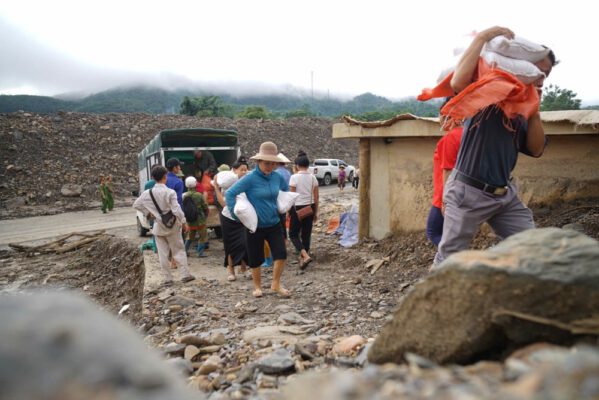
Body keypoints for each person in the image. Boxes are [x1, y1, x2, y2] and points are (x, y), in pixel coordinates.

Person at [432, 26, 557, 267]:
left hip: (504, 195)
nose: (540, 77)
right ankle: (432, 301)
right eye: (538, 69)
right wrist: (482, 38)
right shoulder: (489, 94)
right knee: (450, 258)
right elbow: (458, 82)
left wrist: (534, 111)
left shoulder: (524, 111)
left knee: (531, 245)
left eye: (546, 74)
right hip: (468, 192)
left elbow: (537, 149)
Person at [225, 142, 290, 298]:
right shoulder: (250, 179)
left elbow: (285, 191)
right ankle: (257, 287)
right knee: (255, 258)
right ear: (259, 162)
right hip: (255, 226)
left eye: (273, 163)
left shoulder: (277, 177)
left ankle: (275, 284)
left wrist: (284, 205)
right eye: (267, 163)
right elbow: (229, 194)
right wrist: (237, 217)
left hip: (274, 222)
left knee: (281, 254)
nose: (270, 166)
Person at [133, 165, 195, 284]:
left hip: (158, 226)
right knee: (178, 250)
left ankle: (168, 278)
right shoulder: (170, 192)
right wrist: (184, 222)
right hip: (173, 226)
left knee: (162, 254)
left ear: (153, 178)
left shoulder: (147, 193)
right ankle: (185, 275)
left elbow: (136, 205)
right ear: (165, 177)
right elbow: (176, 210)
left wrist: (149, 213)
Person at [426, 124, 463, 247]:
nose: (441, 120)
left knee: (433, 232)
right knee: (451, 234)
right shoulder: (470, 135)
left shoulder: (451, 137)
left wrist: (445, 200)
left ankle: (457, 259)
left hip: (445, 193)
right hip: (462, 192)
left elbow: (448, 170)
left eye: (442, 116)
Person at [214, 157, 250, 281]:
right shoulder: (228, 184)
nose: (244, 172)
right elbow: (224, 204)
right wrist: (215, 188)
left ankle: (244, 268)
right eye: (242, 170)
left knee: (244, 243)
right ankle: (231, 270)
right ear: (234, 170)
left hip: (242, 217)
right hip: (228, 217)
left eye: (246, 170)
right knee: (230, 245)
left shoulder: (247, 184)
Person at [289, 150, 319, 269]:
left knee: (293, 234)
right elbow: (316, 197)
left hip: (297, 208)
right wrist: (316, 212)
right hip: (310, 207)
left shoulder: (294, 177)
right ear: (308, 165)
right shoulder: (313, 178)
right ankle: (304, 257)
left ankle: (304, 256)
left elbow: (291, 197)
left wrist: (287, 212)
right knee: (306, 234)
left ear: (297, 165)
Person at [183, 176, 209, 257]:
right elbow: (205, 206)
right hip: (200, 220)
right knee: (202, 236)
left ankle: (185, 251)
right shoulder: (199, 195)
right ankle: (200, 253)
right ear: (195, 184)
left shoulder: (183, 195)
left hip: (189, 220)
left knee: (190, 236)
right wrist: (205, 215)